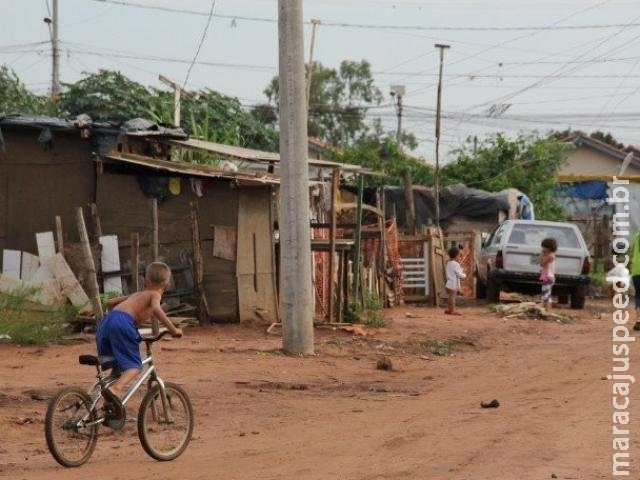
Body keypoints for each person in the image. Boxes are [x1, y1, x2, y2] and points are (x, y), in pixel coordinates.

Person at [96, 261, 183, 428]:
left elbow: (110, 303)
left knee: (118, 367)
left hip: (106, 323)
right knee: (134, 367)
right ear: (166, 284)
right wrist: (173, 329)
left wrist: (114, 320)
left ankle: (110, 407)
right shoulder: (154, 294)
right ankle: (115, 390)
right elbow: (157, 309)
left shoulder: (137, 294)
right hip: (122, 323)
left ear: (146, 280)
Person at [445, 246, 466, 315]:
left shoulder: (449, 263)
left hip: (449, 282)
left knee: (450, 297)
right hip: (453, 283)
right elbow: (459, 274)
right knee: (453, 297)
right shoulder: (456, 264)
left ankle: (449, 309)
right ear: (456, 255)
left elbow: (454, 271)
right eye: (459, 255)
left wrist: (460, 269)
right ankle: (453, 310)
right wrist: (464, 275)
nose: (460, 257)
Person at [539, 238, 557, 311]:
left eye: (544, 247)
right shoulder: (549, 255)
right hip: (547, 277)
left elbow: (542, 264)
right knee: (545, 294)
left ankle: (548, 310)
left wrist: (541, 255)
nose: (543, 249)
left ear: (549, 248)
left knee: (547, 295)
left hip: (548, 277)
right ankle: (546, 309)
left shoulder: (550, 256)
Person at [630, 230, 640, 330]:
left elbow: (631, 252)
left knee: (638, 295)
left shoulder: (636, 235)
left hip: (636, 270)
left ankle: (638, 320)